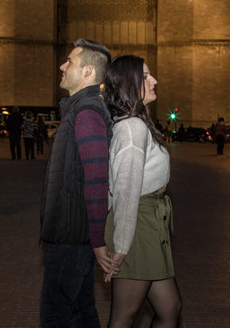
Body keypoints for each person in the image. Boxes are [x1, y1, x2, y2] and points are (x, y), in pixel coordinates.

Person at [40, 38, 117, 327]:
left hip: (72, 236)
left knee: (56, 314)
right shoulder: (80, 110)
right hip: (74, 233)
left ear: (88, 72)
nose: (62, 65)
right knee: (81, 311)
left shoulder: (86, 114)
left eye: (69, 61)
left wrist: (97, 241)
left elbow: (97, 179)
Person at [102, 54, 181, 327]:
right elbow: (124, 192)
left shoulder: (138, 124)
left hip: (147, 222)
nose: (154, 80)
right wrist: (121, 245)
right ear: (129, 84)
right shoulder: (133, 129)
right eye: (146, 76)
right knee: (124, 315)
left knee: (170, 308)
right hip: (136, 225)